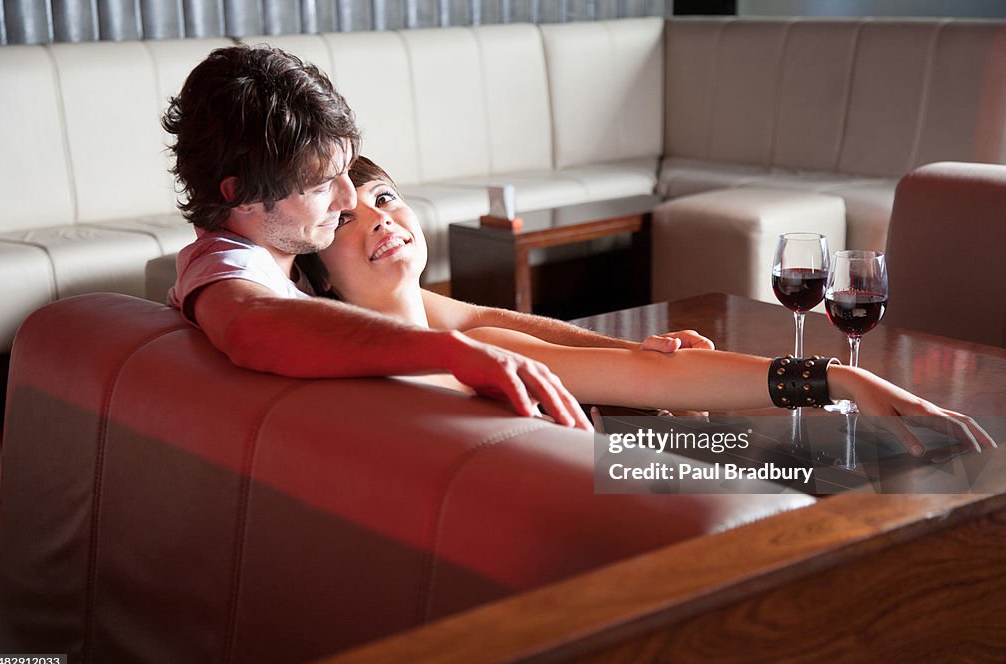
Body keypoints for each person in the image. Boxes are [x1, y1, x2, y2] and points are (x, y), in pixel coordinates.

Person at [161, 44, 711, 432]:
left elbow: (471, 320)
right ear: (239, 194)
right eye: (320, 184)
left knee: (736, 452)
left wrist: (635, 352)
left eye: (346, 176)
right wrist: (451, 355)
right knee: (740, 472)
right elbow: (249, 325)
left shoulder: (289, 252)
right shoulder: (225, 267)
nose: (348, 200)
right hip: (443, 467)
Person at [305, 155, 995, 454]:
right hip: (608, 481)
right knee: (861, 459)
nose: (378, 218)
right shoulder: (446, 351)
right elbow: (638, 381)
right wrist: (840, 375)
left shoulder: (414, 319)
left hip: (613, 460)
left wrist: (629, 355)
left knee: (794, 434)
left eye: (386, 197)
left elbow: (492, 319)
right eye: (343, 220)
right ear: (319, 275)